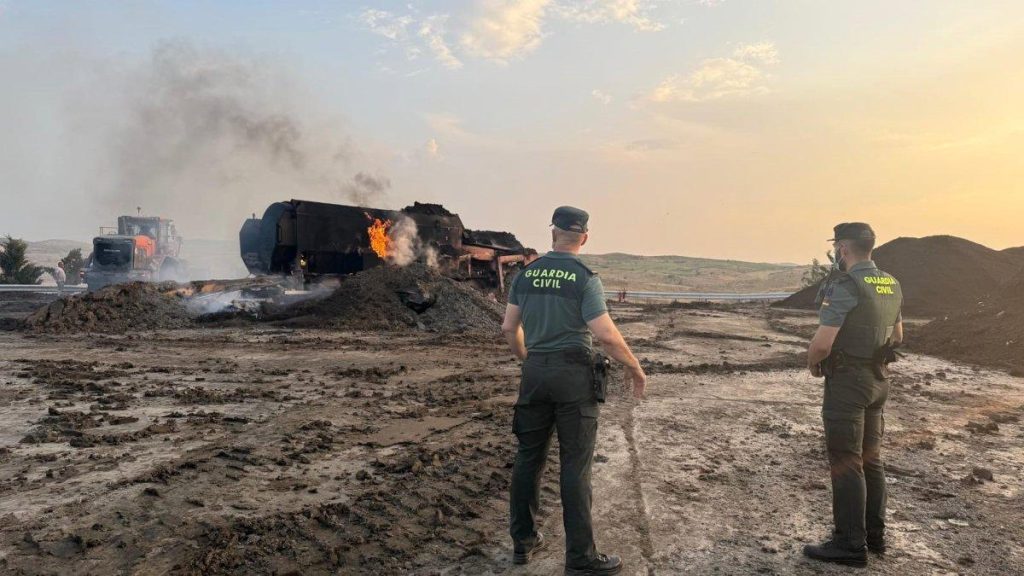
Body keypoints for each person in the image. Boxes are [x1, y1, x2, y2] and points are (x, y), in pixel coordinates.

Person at [501, 206, 647, 576]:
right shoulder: (584, 277)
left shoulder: (526, 274)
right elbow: (605, 335)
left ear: (553, 233)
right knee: (574, 467)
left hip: (535, 374)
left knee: (528, 458)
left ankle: (523, 543)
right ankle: (580, 557)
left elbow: (508, 328)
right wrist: (635, 367)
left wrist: (527, 359)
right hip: (573, 378)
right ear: (584, 237)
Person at [803, 222, 904, 568]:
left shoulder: (847, 283)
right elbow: (899, 336)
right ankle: (875, 537)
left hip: (848, 383)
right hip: (879, 380)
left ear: (844, 248)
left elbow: (822, 343)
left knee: (846, 461)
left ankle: (849, 543)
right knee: (871, 460)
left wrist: (814, 362)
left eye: (836, 247)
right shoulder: (890, 282)